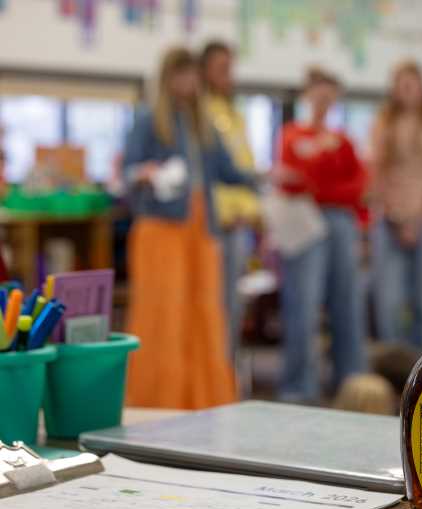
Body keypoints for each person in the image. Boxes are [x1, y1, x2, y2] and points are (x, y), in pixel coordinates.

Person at [123, 47, 252, 409]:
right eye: (182, 74)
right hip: (161, 227)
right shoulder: (149, 118)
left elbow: (229, 170)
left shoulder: (203, 124)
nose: (189, 82)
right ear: (168, 78)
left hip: (200, 229)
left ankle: (202, 396)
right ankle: (158, 398)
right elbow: (128, 171)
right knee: (164, 316)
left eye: (193, 74)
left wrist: (262, 179)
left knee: (204, 313)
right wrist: (145, 173)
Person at [273, 66, 368, 402]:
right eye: (318, 92)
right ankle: (299, 386)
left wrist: (313, 180)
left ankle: (353, 384)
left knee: (348, 302)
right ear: (307, 94)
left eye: (330, 93)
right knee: (303, 302)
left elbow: (358, 185)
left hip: (341, 221)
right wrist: (317, 176)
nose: (324, 99)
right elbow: (286, 179)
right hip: (304, 223)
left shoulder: (344, 140)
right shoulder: (290, 135)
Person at [369, 61, 422, 349]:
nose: (407, 89)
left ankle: (419, 365)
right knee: (387, 299)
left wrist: (419, 221)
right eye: (401, 84)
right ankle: (392, 361)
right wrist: (395, 217)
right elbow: (376, 173)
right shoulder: (383, 124)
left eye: (412, 83)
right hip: (389, 221)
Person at [199, 40, 260, 362]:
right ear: (204, 70)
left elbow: (242, 170)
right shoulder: (200, 111)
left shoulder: (234, 112)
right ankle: (213, 371)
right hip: (216, 224)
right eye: (222, 67)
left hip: (238, 224)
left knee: (232, 305)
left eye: (230, 68)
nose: (228, 75)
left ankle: (224, 371)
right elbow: (212, 174)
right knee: (215, 303)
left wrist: (251, 212)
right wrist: (228, 213)